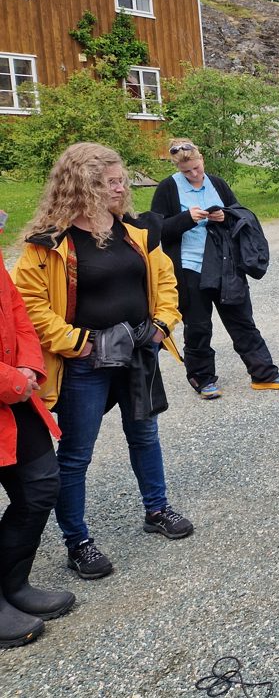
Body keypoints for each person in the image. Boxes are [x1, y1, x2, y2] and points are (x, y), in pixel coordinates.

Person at [12, 143, 192, 581]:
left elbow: (165, 280)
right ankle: (77, 542)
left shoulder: (136, 230)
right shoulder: (49, 243)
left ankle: (156, 509)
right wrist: (80, 343)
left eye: (120, 179)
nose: (120, 187)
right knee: (76, 453)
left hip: (137, 351)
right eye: (110, 182)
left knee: (144, 435)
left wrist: (162, 325)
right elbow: (31, 305)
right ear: (82, 186)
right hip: (85, 363)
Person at [150, 142, 279, 400]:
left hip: (226, 265)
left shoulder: (217, 183)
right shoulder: (168, 188)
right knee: (198, 327)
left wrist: (225, 216)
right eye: (187, 171)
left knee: (242, 320)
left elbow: (240, 215)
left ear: (202, 159)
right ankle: (203, 380)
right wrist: (186, 219)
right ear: (178, 168)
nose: (194, 174)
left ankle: (264, 374)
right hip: (189, 268)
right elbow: (156, 230)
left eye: (196, 168)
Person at [0, 208, 74, 647]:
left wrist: (29, 364)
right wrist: (11, 380)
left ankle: (14, 584)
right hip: (8, 388)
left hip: (16, 393)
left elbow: (16, 310)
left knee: (41, 485)